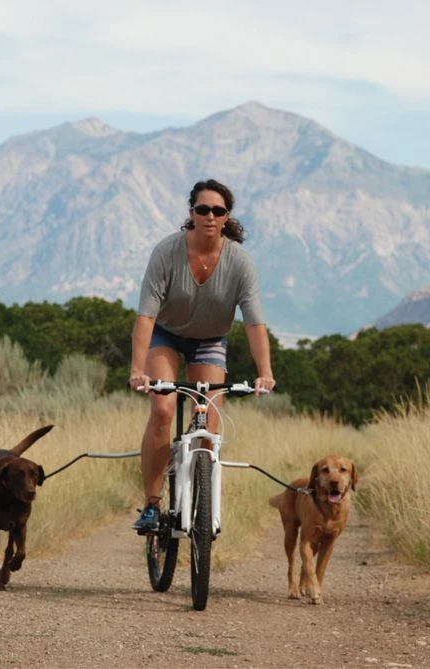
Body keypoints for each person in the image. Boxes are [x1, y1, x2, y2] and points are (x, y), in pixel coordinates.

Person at [128, 179, 276, 532]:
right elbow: (146, 316)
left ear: (227, 217)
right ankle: (151, 503)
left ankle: (201, 499)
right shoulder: (167, 252)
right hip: (167, 334)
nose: (210, 216)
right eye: (203, 209)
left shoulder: (240, 263)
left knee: (209, 425)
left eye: (218, 211)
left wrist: (264, 371)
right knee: (163, 409)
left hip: (210, 338)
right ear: (190, 213)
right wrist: (137, 369)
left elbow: (255, 324)